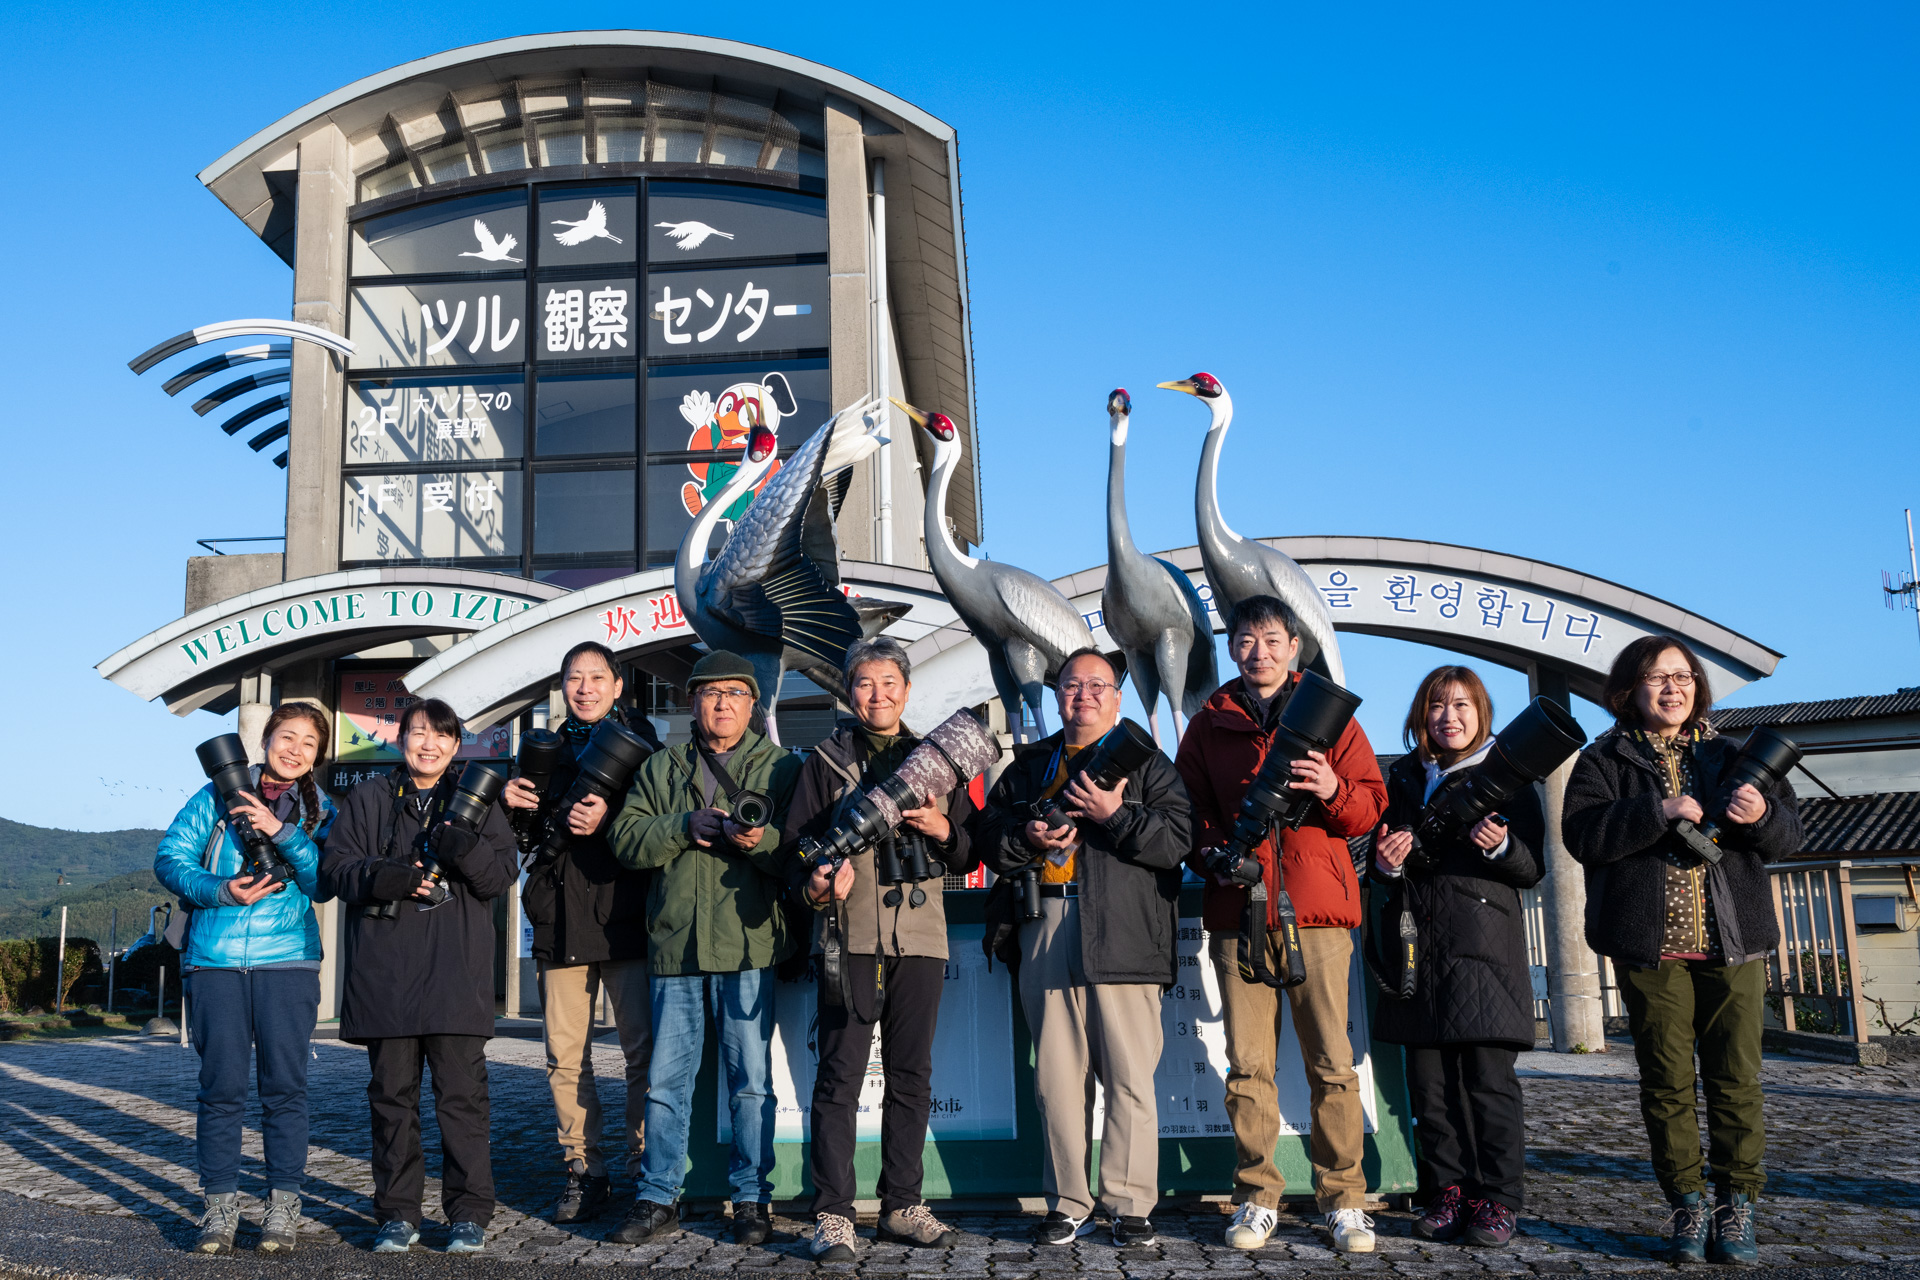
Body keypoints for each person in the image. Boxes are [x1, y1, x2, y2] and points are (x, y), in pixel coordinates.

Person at [1563, 636, 1801, 1266]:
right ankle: (1687, 1207)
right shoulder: (1604, 759)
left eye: (1683, 676)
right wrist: (1657, 810)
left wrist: (1761, 814)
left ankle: (1737, 1207)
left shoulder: (1733, 754)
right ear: (1628, 690)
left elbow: (1788, 837)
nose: (1673, 688)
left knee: (1736, 1080)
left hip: (1735, 944)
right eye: (1657, 677)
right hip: (1651, 950)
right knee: (1666, 1082)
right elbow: (1581, 836)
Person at [1174, 595, 1387, 1254]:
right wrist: (1216, 854)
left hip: (1316, 912)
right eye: (1245, 640)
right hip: (1238, 910)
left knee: (1332, 1064)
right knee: (1248, 1067)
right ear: (1231, 647)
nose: (1258, 652)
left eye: (1271, 640)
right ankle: (1256, 1195)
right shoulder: (1209, 722)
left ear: (1294, 647)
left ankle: (1345, 1199)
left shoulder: (1331, 717)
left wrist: (1331, 788)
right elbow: (1187, 809)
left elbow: (1371, 806)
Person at [975, 647, 1192, 1248]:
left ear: (1117, 698)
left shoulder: (1148, 763)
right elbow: (987, 838)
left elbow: (1177, 841)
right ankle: (1068, 1202)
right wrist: (1026, 835)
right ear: (1057, 696)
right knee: (1057, 1078)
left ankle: (1129, 1204)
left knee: (1129, 1075)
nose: (1084, 695)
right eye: (1072, 685)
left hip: (1124, 929)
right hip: (1043, 922)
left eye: (1098, 685)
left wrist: (1114, 814)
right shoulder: (1030, 765)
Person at [786, 637, 979, 1261]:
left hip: (920, 939)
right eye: (865, 683)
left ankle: (902, 1205)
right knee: (840, 1075)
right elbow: (795, 852)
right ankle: (833, 1214)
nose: (878, 695)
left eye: (889, 682)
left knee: (912, 1075)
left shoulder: (936, 760)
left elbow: (970, 851)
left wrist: (943, 828)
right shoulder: (824, 762)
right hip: (850, 937)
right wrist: (817, 884)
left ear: (907, 689)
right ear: (849, 692)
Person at [607, 651, 802, 1246]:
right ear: (692, 702)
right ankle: (657, 1195)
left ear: (753, 705)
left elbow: (799, 853)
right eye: (711, 693)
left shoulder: (781, 767)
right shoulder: (661, 767)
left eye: (735, 693)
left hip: (748, 946)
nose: (722, 704)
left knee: (752, 1083)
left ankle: (751, 1199)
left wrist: (757, 839)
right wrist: (682, 826)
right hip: (676, 945)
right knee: (666, 1082)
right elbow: (625, 839)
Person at [319, 697, 519, 1256]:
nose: (428, 744)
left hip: (456, 977)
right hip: (387, 978)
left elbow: (499, 877)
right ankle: (397, 1215)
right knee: (391, 1102)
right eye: (418, 733)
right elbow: (336, 870)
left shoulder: (478, 799)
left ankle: (469, 1214)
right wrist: (393, 877)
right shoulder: (370, 797)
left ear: (456, 745)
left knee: (462, 1103)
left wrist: (466, 847)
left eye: (441, 735)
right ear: (400, 739)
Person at [1370, 667, 1545, 1248]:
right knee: (1430, 1085)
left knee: (1488, 1082)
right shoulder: (1402, 777)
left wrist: (1503, 846)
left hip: (1482, 947)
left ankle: (1499, 1198)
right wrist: (1386, 864)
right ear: (1422, 715)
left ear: (1482, 713)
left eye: (1463, 705)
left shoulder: (1508, 777)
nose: (1449, 716)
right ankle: (1448, 1191)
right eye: (1438, 705)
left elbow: (1532, 868)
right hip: (1416, 947)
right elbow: (1379, 864)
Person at [155, 702, 337, 1256]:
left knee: (285, 1088)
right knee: (221, 1089)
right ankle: (219, 1208)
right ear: (266, 740)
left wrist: (280, 831)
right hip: (215, 959)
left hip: (288, 960)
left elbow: (324, 882)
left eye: (309, 743)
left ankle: (282, 1206)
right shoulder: (215, 796)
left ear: (317, 756)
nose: (295, 750)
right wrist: (221, 890)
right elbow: (170, 859)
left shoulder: (322, 810)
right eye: (287, 737)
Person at [503, 641, 662, 1226]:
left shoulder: (645, 747)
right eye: (575, 678)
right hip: (560, 916)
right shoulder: (541, 751)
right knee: (565, 1055)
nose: (586, 688)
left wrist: (611, 819)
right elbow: (520, 836)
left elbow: (663, 821)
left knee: (643, 1052)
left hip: (626, 915)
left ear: (618, 686)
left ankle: (648, 1168)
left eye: (597, 677)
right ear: (563, 686)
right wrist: (507, 802)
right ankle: (584, 1169)